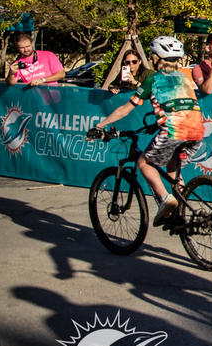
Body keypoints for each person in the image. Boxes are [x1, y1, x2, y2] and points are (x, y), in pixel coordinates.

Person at [87, 37, 205, 226]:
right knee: (172, 167)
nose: (150, 59)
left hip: (174, 131)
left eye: (152, 57)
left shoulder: (153, 79)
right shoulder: (183, 78)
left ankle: (165, 199)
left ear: (157, 58)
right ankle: (183, 211)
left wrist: (99, 126)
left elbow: (126, 108)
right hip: (197, 131)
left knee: (144, 161)